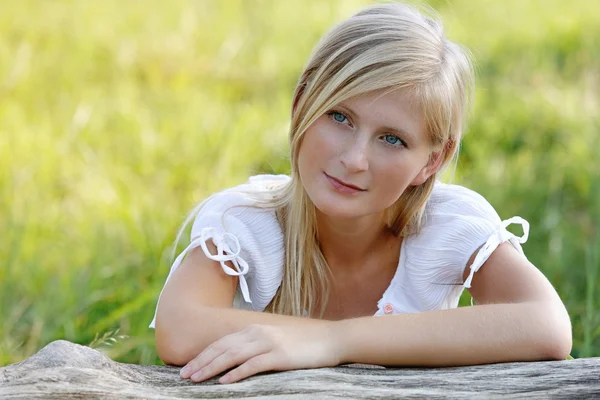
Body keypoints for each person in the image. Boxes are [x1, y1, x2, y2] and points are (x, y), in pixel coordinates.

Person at [149, 2, 572, 384]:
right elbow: (180, 327)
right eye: (340, 117)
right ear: (301, 104)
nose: (354, 159)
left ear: (431, 161)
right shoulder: (247, 223)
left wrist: (335, 342)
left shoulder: (446, 227)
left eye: (392, 140)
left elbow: (548, 326)